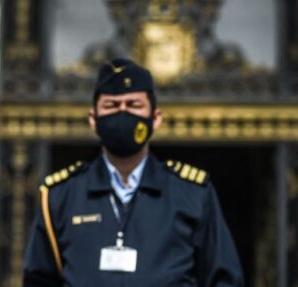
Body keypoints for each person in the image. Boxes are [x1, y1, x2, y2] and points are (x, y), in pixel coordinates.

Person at [22, 58, 243, 286]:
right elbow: (39, 279)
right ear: (93, 119)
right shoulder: (61, 196)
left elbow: (224, 278)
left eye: (134, 105)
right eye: (112, 106)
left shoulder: (192, 194)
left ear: (155, 118)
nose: (123, 113)